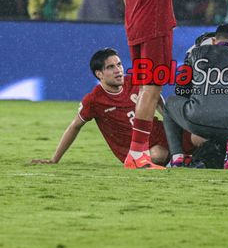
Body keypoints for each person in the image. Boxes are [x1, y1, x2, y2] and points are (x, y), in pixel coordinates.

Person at [120, 0, 212, 169]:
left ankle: (137, 153)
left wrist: (136, 13)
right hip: (155, 24)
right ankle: (137, 155)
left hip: (134, 23)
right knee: (151, 86)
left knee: (147, 85)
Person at [30, 48, 172, 166]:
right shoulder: (94, 100)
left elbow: (155, 97)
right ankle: (179, 158)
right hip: (140, 150)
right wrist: (54, 160)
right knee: (158, 155)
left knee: (194, 136)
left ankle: (184, 157)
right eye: (111, 67)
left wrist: (170, 120)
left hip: (163, 133)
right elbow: (74, 126)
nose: (118, 70)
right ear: (99, 74)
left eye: (119, 64)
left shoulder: (134, 81)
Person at [164, 23, 228, 169]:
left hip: (199, 119)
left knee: (170, 103)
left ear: (214, 41)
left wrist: (200, 95)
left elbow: (181, 90)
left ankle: (177, 157)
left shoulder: (195, 53)